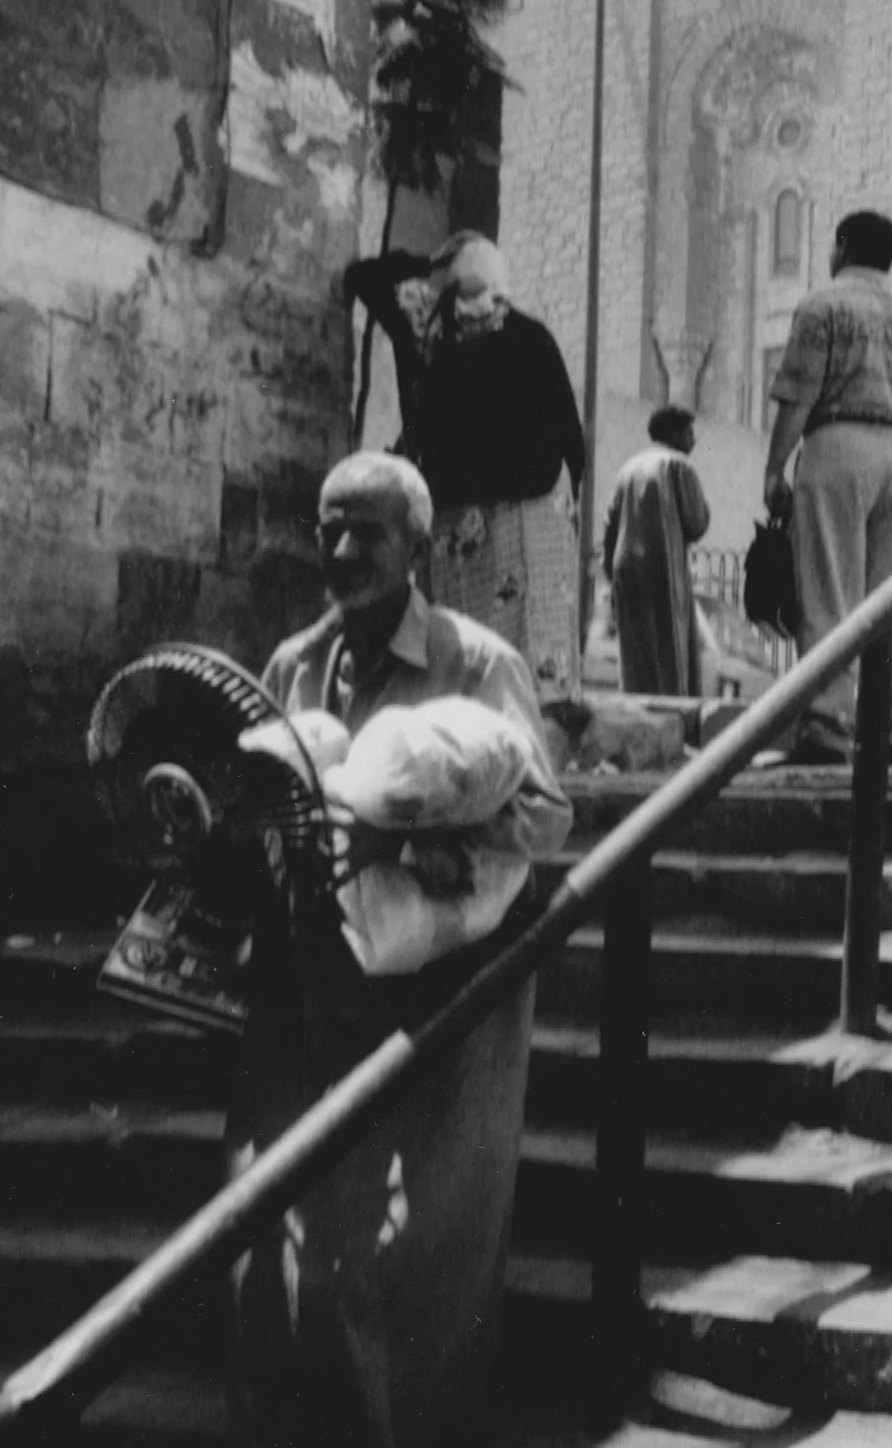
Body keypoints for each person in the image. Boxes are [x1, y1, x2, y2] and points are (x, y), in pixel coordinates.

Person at [230, 451, 572, 1448]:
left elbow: (545, 817)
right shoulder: (295, 662)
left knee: (420, 1254)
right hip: (314, 974)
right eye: (328, 528)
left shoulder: (476, 660)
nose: (340, 550)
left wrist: (414, 844)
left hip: (440, 986)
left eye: (366, 531)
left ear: (419, 547)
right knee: (278, 1233)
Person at [344, 234, 588, 698]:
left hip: (469, 520)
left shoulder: (432, 335)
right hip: (534, 518)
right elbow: (572, 443)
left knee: (468, 650)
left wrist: (427, 259)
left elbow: (366, 277)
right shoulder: (529, 337)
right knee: (533, 665)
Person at [762, 209, 892, 764]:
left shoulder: (823, 307)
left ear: (841, 247)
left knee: (830, 590)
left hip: (838, 446)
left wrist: (775, 468)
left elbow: (800, 396)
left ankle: (827, 725)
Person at [604, 405, 712, 695]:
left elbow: (609, 525)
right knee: (671, 655)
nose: (694, 440)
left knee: (636, 657)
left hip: (625, 568)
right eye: (690, 433)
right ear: (675, 435)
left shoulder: (627, 468)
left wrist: (609, 574)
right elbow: (697, 522)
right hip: (663, 567)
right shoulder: (679, 465)